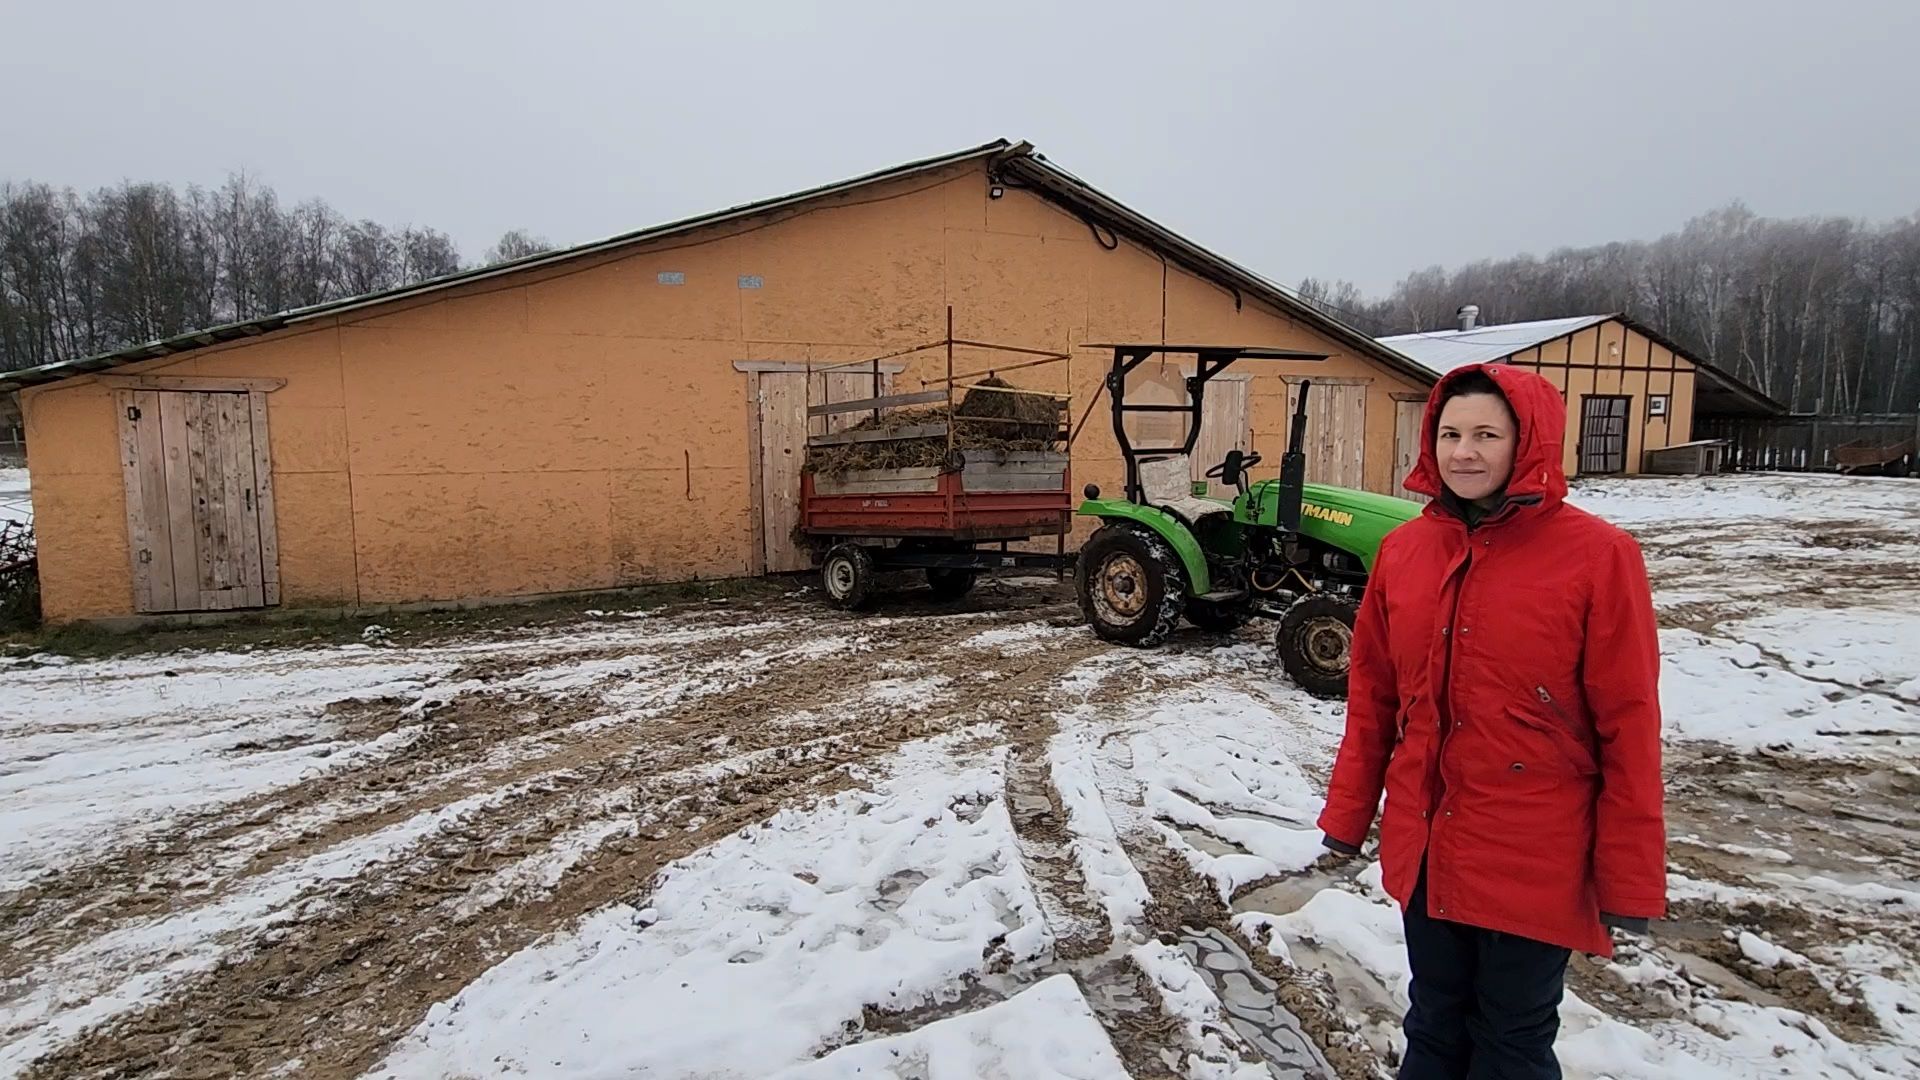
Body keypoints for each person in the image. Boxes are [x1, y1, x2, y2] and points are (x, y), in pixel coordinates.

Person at [1315, 363, 1666, 1080]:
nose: (1463, 452)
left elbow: (1628, 725)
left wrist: (1629, 878)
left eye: (1485, 434)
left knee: (1511, 1042)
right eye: (1449, 434)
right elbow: (1375, 698)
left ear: (1527, 443)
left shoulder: (1599, 556)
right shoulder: (1405, 551)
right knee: (1435, 1024)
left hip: (1534, 853)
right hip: (1428, 845)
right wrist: (1349, 815)